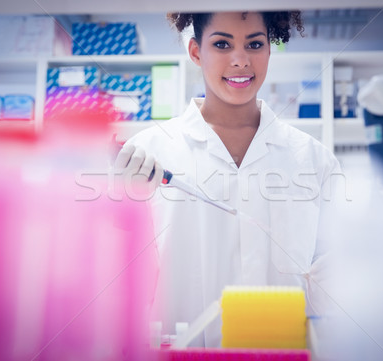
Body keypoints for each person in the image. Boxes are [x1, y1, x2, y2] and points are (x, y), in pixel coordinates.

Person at [114, 11, 341, 347]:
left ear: (269, 50)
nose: (240, 60)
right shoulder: (150, 151)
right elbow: (118, 288)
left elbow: (337, 290)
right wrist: (121, 210)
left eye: (255, 44)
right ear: (195, 51)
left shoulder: (314, 159)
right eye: (222, 44)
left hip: (283, 354)